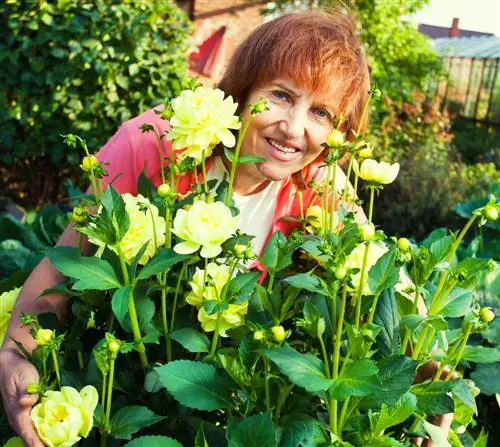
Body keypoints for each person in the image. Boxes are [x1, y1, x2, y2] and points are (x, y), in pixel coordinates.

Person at [0, 9, 443, 447]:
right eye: (282, 95)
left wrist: (436, 409)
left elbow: (396, 298)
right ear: (245, 88)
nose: (294, 128)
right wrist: (14, 355)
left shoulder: (322, 193)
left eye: (322, 113)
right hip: (129, 394)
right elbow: (62, 269)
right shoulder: (155, 142)